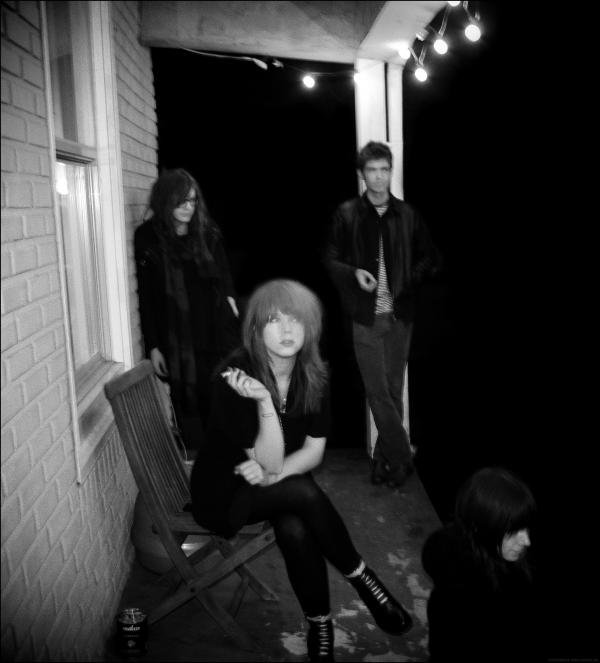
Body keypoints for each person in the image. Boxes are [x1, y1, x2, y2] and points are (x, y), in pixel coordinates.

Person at [190, 279, 413, 662]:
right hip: (226, 488)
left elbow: (312, 453)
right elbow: (269, 461)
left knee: (295, 524)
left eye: (296, 319)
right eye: (274, 320)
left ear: (310, 327)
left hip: (278, 478)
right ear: (255, 329)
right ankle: (364, 579)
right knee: (303, 494)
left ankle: (320, 623)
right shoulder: (235, 378)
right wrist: (264, 401)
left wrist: (275, 479)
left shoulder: (313, 373)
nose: (287, 329)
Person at [326, 141, 441, 488]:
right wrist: (354, 274)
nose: (379, 177)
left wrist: (408, 280)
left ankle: (383, 461)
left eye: (384, 170)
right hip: (365, 318)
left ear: (391, 172)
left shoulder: (407, 215)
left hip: (400, 317)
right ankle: (403, 457)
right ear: (362, 175)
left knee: (391, 392)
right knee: (377, 392)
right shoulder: (347, 214)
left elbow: (431, 258)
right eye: (372, 170)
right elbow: (330, 259)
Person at [134, 168, 239, 454]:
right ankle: (197, 466)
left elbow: (225, 279)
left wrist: (231, 303)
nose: (188, 208)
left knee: (220, 402)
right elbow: (147, 296)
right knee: (187, 405)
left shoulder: (207, 233)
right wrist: (153, 345)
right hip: (177, 338)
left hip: (214, 333)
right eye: (181, 201)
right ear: (165, 200)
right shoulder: (148, 237)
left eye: (192, 201)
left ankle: (224, 464)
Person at [422, 467, 540, 661]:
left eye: (525, 528)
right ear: (482, 527)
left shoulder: (456, 551)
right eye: (513, 531)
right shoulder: (466, 595)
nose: (527, 541)